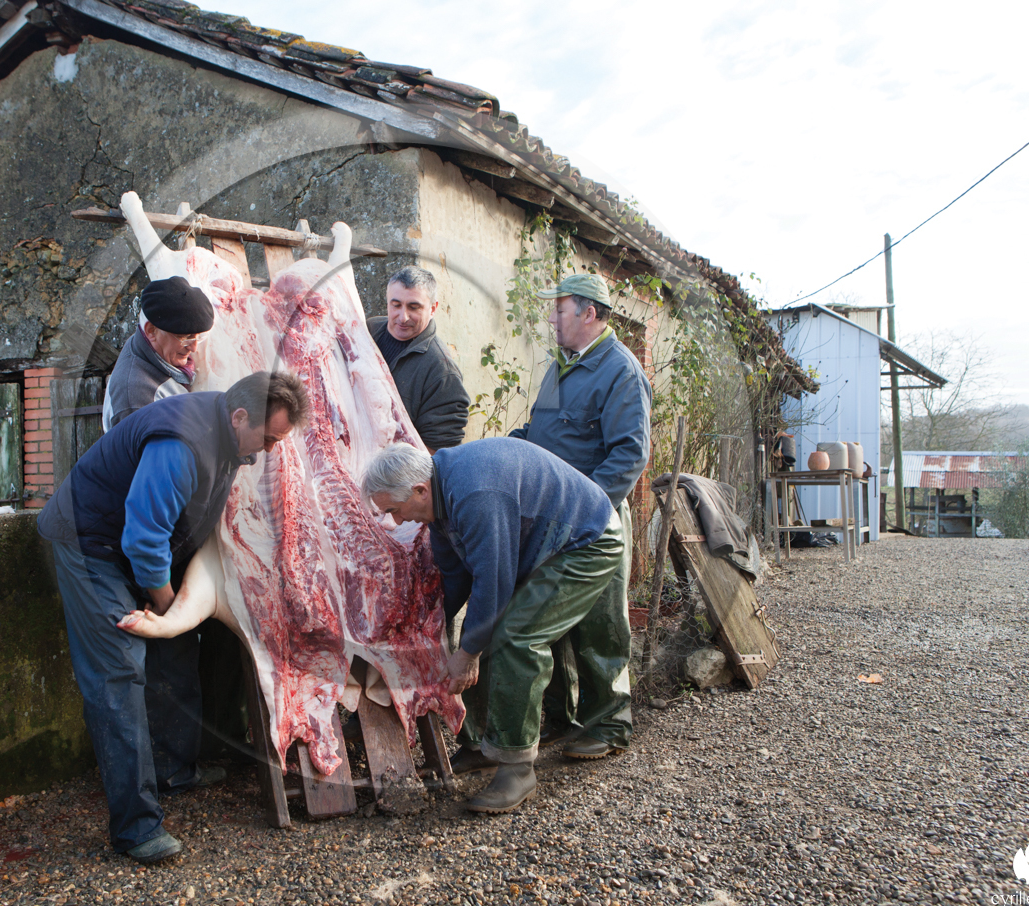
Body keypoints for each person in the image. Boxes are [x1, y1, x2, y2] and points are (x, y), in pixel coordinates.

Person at [37, 371, 310, 863]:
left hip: (136, 550)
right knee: (120, 666)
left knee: (178, 646)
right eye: (269, 438)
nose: (270, 449)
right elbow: (143, 537)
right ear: (240, 415)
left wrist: (175, 618)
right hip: (91, 544)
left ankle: (173, 771)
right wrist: (166, 604)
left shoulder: (230, 431)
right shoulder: (182, 443)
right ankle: (136, 827)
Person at [362, 439, 629, 813]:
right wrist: (426, 627)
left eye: (395, 509)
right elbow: (455, 575)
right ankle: (481, 744)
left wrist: (468, 653)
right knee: (483, 632)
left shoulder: (475, 493)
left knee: (517, 637)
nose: (397, 521)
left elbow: (494, 580)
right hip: (538, 545)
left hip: (586, 541)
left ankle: (516, 768)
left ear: (420, 490)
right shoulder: (439, 500)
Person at [508, 272, 651, 760]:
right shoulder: (561, 367)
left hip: (595, 516)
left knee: (599, 622)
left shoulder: (620, 371)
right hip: (550, 517)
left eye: (559, 309)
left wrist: (588, 509)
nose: (551, 318)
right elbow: (539, 430)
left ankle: (609, 723)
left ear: (589, 313)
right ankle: (561, 718)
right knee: (555, 618)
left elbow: (629, 454)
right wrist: (509, 449)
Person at [365, 266, 470, 452]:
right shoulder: (368, 331)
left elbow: (438, 454)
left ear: (433, 308)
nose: (403, 317)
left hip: (392, 474)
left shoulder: (442, 371)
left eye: (414, 307)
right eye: (396, 305)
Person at [102, 276, 215, 432]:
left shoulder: (147, 345)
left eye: (198, 336)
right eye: (184, 337)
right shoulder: (137, 400)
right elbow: (157, 456)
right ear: (151, 331)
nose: (194, 348)